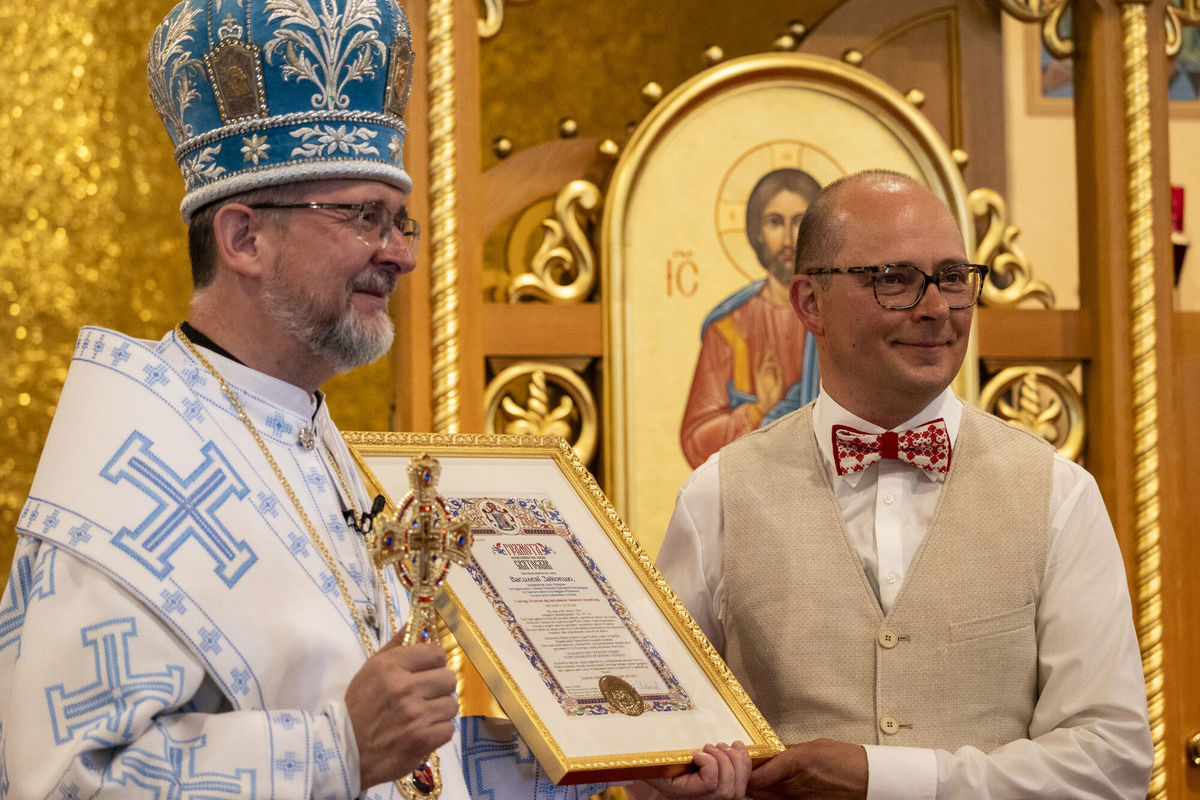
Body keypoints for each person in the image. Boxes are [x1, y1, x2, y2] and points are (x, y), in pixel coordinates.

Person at [0, 1, 747, 797]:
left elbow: (410, 767)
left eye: (402, 222)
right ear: (243, 236)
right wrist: (334, 749)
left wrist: (627, 771)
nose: (399, 255)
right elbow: (62, 780)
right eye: (363, 217)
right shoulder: (130, 466)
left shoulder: (318, 445)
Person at [658, 169, 1153, 798]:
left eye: (952, 277)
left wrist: (885, 778)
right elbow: (655, 742)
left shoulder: (1060, 494)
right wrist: (679, 784)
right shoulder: (716, 495)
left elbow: (1111, 761)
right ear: (810, 302)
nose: (936, 308)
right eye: (894, 279)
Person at [679, 168, 821, 469]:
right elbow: (695, 439)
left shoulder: (838, 318)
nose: (788, 238)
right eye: (774, 222)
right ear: (757, 232)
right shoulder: (729, 329)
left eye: (799, 222)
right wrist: (758, 411)